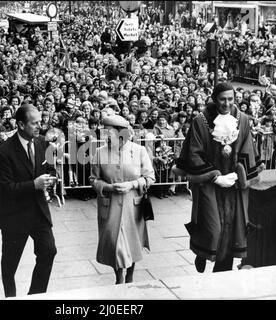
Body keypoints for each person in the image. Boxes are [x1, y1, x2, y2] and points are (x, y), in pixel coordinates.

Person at [173, 83, 264, 273]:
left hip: (233, 184)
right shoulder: (201, 121)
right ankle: (203, 253)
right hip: (208, 182)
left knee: (233, 229)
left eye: (230, 99)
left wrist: (240, 174)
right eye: (223, 99)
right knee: (212, 226)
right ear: (215, 99)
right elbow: (194, 154)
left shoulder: (243, 120)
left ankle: (223, 270)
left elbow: (248, 148)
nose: (227, 103)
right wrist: (215, 177)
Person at [0, 104, 57, 297]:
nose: (40, 126)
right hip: (15, 216)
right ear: (21, 125)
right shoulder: (4, 152)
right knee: (9, 266)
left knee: (48, 251)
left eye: (40, 122)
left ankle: (36, 295)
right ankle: (11, 297)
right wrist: (34, 185)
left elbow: (50, 169)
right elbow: (6, 189)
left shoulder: (41, 143)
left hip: (38, 212)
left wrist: (50, 179)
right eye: (34, 123)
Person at [89, 115, 155, 284]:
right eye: (104, 132)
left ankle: (130, 274)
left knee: (133, 242)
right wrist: (108, 187)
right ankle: (118, 276)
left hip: (133, 205)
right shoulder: (99, 152)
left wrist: (132, 184)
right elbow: (93, 179)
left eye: (108, 132)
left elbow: (150, 177)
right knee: (114, 242)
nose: (105, 136)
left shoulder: (139, 151)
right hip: (110, 206)